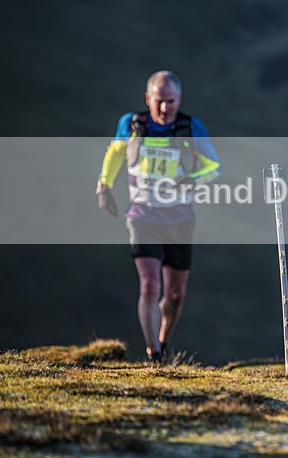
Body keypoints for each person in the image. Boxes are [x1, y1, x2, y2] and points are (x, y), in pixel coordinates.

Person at [95, 71, 221, 363]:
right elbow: (115, 153)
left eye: (171, 102)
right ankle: (153, 353)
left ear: (180, 100)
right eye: (159, 102)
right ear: (147, 99)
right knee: (150, 285)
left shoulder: (190, 127)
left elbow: (213, 167)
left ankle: (163, 341)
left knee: (175, 294)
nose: (165, 109)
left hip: (180, 219)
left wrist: (190, 179)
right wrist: (104, 185)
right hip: (142, 215)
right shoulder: (132, 124)